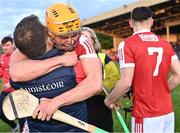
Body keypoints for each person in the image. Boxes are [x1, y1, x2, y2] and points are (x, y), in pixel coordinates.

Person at [10, 3, 102, 131]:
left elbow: (95, 84)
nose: (70, 41)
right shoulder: (37, 39)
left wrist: (54, 103)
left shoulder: (82, 40)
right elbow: (15, 73)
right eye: (63, 37)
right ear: (50, 34)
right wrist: (60, 60)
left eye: (75, 34)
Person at [104, 6, 180, 133]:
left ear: (130, 23)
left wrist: (109, 100)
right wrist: (160, 91)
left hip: (145, 114)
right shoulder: (165, 44)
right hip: (167, 112)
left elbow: (126, 83)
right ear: (151, 21)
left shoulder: (127, 44)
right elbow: (178, 75)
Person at [82, 27, 119, 132]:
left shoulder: (103, 58)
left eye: (85, 37)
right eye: (80, 38)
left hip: (100, 108)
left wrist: (95, 87)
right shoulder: (73, 59)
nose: (82, 41)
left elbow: (114, 80)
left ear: (94, 41)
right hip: (80, 109)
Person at [0, 36, 19, 132]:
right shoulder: (2, 58)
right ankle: (14, 126)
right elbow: (2, 71)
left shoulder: (18, 56)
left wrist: (11, 83)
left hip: (17, 90)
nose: (5, 47)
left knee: (21, 113)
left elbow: (23, 73)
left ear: (13, 45)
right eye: (3, 45)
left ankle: (23, 127)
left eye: (7, 45)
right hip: (5, 91)